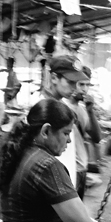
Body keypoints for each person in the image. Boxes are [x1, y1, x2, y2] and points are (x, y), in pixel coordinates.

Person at [44, 56, 92, 198]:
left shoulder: (63, 107)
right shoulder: (43, 110)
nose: (74, 88)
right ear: (54, 78)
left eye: (76, 83)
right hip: (54, 190)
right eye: (70, 82)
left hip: (67, 183)